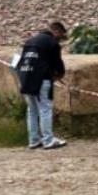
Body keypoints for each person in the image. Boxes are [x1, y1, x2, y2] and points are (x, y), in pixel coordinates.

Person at [17, 21, 68, 150]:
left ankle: (34, 140)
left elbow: (22, 61)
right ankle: (48, 140)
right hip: (42, 80)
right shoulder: (52, 43)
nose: (60, 39)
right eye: (61, 36)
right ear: (56, 31)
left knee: (32, 110)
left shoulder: (30, 41)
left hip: (26, 79)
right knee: (45, 109)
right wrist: (60, 74)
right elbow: (57, 63)